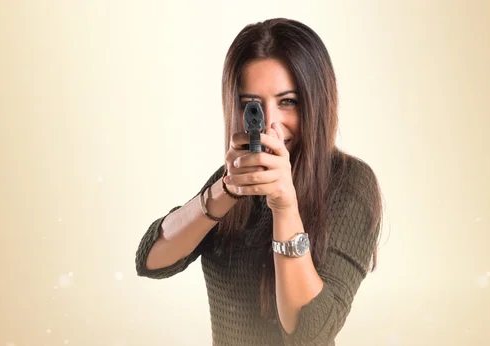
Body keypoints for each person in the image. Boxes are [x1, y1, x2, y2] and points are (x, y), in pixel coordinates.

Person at [135, 18, 383, 346]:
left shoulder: (349, 183)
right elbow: (151, 261)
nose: (271, 126)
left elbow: (311, 334)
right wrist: (224, 191)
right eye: (253, 105)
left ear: (316, 101)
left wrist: (284, 207)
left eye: (287, 102)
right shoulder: (232, 181)